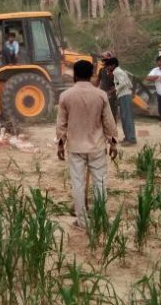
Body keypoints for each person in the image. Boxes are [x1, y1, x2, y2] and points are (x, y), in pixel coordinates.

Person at [57, 60, 118, 225]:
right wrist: (113, 142)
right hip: (97, 146)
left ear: (74, 75)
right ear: (92, 75)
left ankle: (82, 221)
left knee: (78, 183)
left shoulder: (66, 96)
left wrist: (60, 145)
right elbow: (109, 122)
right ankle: (100, 217)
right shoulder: (100, 95)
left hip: (75, 146)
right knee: (100, 182)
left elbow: (61, 124)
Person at [106, 57, 136, 145]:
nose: (107, 68)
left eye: (108, 66)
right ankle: (128, 137)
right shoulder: (120, 71)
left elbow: (123, 83)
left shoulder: (116, 72)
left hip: (124, 95)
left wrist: (114, 90)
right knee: (125, 117)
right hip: (125, 94)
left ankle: (131, 139)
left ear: (113, 65)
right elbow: (129, 83)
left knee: (126, 117)